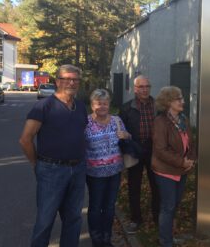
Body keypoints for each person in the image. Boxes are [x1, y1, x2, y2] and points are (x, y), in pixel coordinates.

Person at [19, 64, 88, 247]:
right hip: (51, 170)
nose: (71, 82)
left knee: (73, 219)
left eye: (75, 79)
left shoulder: (81, 107)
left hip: (78, 169)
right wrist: (37, 164)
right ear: (58, 81)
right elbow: (25, 139)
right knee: (45, 220)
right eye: (67, 78)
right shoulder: (43, 106)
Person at [151, 86, 196, 247]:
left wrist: (191, 159)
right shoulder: (160, 121)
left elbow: (190, 142)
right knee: (168, 206)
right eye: (179, 99)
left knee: (174, 205)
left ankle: (169, 236)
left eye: (182, 98)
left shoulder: (183, 119)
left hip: (182, 169)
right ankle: (166, 241)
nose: (183, 101)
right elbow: (160, 150)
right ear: (169, 102)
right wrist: (181, 162)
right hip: (166, 171)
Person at [85, 89, 130, 247]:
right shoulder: (86, 122)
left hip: (115, 172)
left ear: (109, 104)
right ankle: (96, 240)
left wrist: (126, 135)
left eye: (105, 103)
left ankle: (106, 238)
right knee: (96, 207)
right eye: (99, 103)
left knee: (110, 207)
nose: (102, 106)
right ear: (92, 105)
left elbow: (127, 136)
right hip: (94, 173)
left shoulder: (116, 120)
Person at [119, 75, 159, 233]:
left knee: (156, 186)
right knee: (134, 187)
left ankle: (157, 217)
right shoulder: (127, 107)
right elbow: (121, 130)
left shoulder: (158, 106)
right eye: (141, 87)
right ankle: (136, 219)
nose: (144, 89)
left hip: (154, 151)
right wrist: (126, 149)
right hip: (135, 151)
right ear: (135, 89)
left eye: (147, 86)